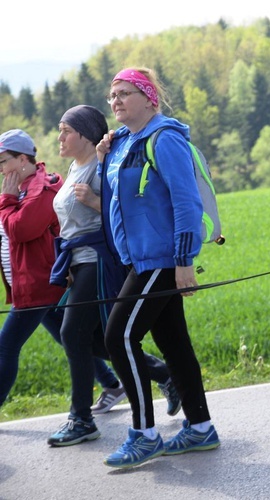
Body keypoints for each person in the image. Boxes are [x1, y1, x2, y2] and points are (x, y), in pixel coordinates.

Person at [97, 67, 219, 468]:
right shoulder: (124, 144)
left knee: (119, 338)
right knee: (173, 344)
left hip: (162, 259)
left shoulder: (164, 139)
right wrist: (103, 158)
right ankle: (200, 427)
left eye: (125, 93)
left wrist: (184, 261)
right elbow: (117, 198)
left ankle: (145, 434)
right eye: (112, 95)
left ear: (150, 98)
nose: (116, 101)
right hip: (142, 259)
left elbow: (187, 203)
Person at [46, 106, 180, 447]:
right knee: (95, 340)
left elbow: (123, 209)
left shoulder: (102, 167)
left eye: (66, 131)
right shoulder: (75, 167)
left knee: (71, 332)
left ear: (87, 134)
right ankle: (165, 375)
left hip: (99, 261)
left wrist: (94, 201)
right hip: (78, 263)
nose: (60, 137)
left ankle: (81, 419)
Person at [0, 129, 120, 414]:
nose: (1, 168)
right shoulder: (20, 189)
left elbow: (20, 230)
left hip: (40, 283)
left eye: (3, 160)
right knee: (75, 339)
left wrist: (6, 200)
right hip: (33, 283)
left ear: (22, 160)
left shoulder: (39, 189)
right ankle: (113, 382)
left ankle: (160, 374)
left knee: (5, 348)